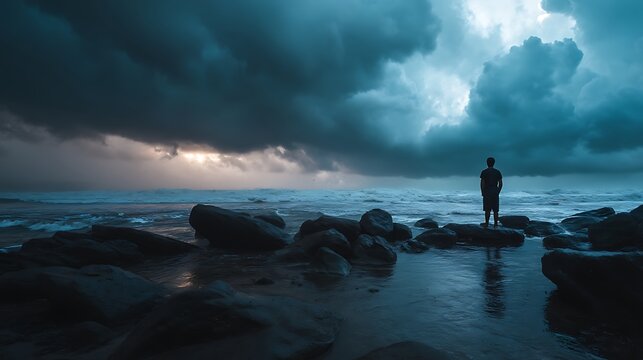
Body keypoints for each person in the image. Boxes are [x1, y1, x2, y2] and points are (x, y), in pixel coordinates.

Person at [480, 157, 502, 228]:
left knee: (487, 209)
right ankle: (495, 224)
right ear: (494, 163)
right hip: (495, 191)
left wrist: (483, 192)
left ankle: (487, 223)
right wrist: (498, 191)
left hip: (487, 191)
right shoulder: (497, 172)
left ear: (487, 163)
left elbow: (482, 183)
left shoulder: (484, 172)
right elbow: (500, 183)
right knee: (495, 210)